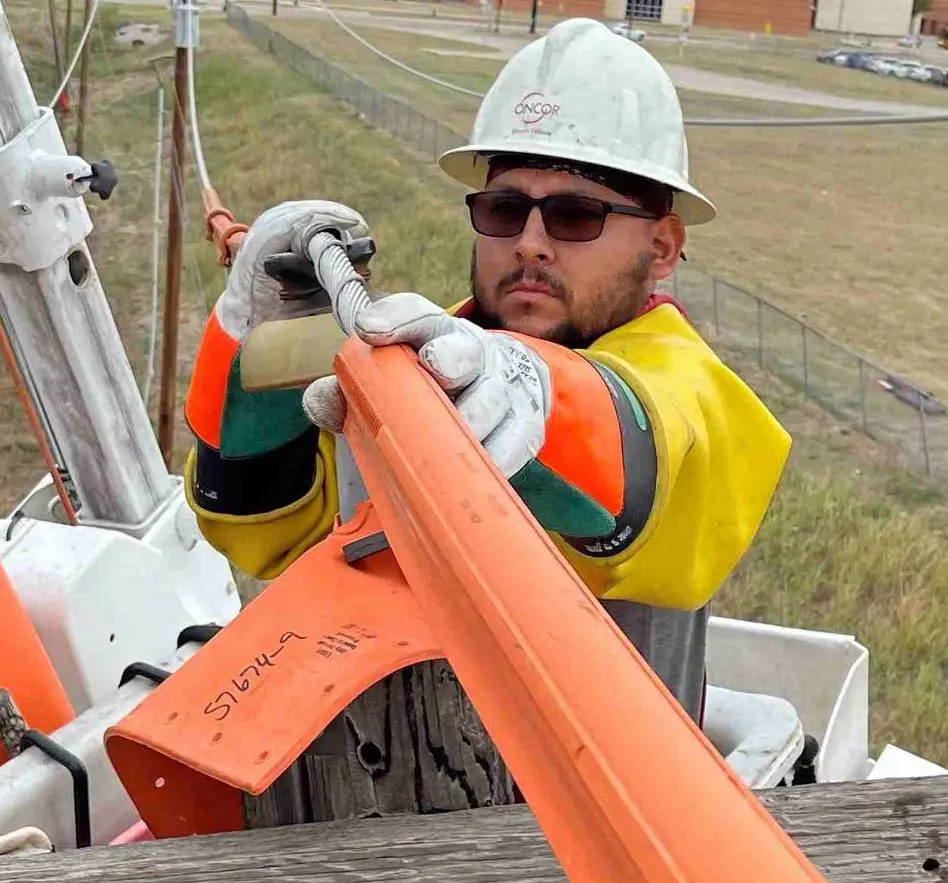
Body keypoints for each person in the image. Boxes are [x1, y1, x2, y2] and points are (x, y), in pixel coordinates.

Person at [181, 18, 789, 723]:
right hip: (401, 773)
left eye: (574, 215)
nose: (530, 244)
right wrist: (250, 338)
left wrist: (533, 393)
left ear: (660, 248)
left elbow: (644, 449)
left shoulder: (687, 387)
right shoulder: (423, 365)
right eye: (504, 209)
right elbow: (267, 535)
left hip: (596, 807)